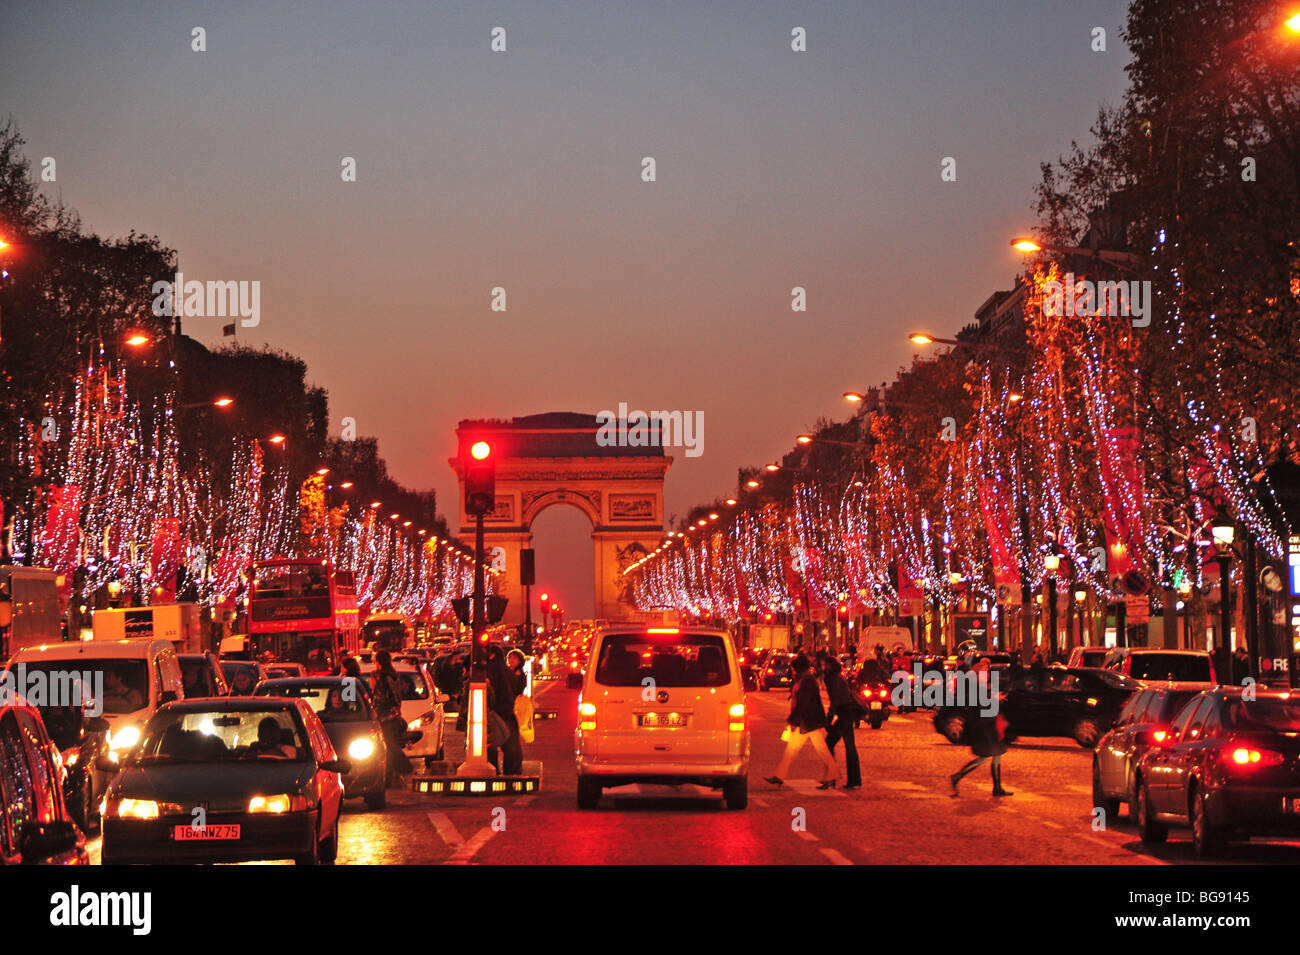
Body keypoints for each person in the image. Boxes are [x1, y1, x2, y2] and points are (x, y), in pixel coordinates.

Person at [764, 655, 838, 789]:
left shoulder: (807, 681)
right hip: (807, 721)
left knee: (821, 750)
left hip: (809, 721)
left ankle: (833, 775)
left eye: (793, 669)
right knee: (792, 750)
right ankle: (779, 776)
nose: (791, 671)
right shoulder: (804, 680)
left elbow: (803, 702)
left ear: (798, 669)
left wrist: (793, 719)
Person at [948, 660, 1011, 797]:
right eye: (984, 671)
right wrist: (993, 698)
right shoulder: (974, 685)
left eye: (987, 671)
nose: (987, 673)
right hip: (982, 726)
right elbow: (976, 702)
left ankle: (997, 787)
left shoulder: (983, 685)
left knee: (997, 754)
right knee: (984, 757)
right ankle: (958, 776)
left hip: (990, 724)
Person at [371, 650, 413, 781]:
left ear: (379, 662)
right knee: (388, 745)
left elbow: (381, 697)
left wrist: (375, 709)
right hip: (393, 714)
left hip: (385, 716)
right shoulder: (393, 674)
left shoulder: (381, 677)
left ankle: (405, 768)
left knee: (389, 745)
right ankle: (390, 774)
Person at [821, 657, 862, 789]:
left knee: (829, 743)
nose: (822, 667)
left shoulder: (835, 679)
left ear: (829, 666)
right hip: (847, 713)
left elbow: (835, 700)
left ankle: (831, 777)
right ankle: (854, 779)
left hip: (845, 713)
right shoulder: (835, 677)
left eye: (823, 664)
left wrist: (829, 719)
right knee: (850, 746)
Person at [486, 646, 523, 775]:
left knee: (489, 745)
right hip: (508, 712)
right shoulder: (509, 671)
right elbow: (517, 689)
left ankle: (492, 769)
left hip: (495, 712)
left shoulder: (491, 671)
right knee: (511, 744)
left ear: (491, 656)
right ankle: (512, 770)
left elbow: (490, 693)